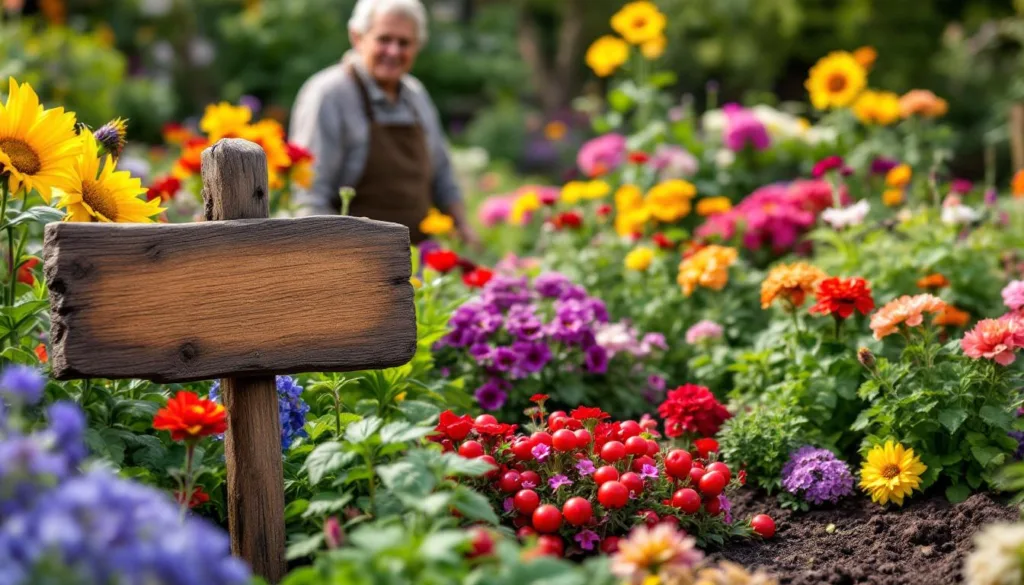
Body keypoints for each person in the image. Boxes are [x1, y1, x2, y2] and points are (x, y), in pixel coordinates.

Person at [288, 0, 478, 246]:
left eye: (404, 43)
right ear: (357, 37)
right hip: (355, 255)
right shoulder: (328, 94)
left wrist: (463, 227)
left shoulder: (416, 95)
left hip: (418, 256)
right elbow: (309, 196)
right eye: (384, 39)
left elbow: (442, 174)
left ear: (417, 46)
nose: (394, 51)